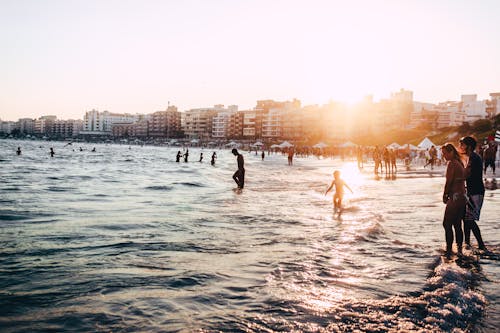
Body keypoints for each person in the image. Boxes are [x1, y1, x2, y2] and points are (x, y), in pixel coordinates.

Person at [459, 136, 487, 251]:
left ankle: (481, 245)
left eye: (462, 144)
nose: (460, 147)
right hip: (473, 191)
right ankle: (467, 243)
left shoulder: (474, 158)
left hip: (476, 192)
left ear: (469, 146)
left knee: (469, 219)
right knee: (466, 218)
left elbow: (466, 175)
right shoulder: (472, 157)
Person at [441, 143, 466, 258]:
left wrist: (445, 195)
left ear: (451, 152)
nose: (444, 156)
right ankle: (460, 249)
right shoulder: (459, 162)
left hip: (455, 198)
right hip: (462, 197)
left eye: (445, 153)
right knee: (457, 224)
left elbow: (449, 182)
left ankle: (449, 249)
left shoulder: (452, 164)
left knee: (446, 224)